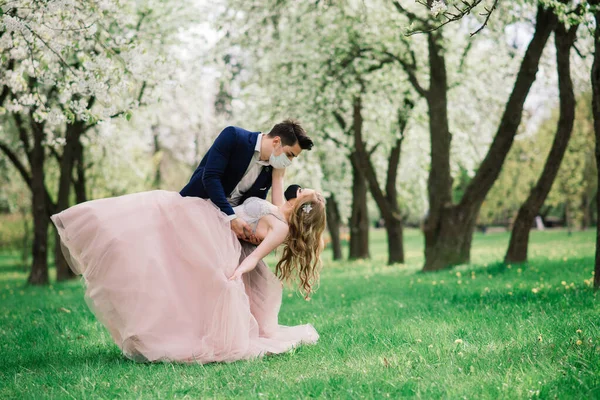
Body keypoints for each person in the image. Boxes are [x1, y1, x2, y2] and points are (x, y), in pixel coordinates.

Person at [51, 185, 326, 363]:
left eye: (304, 191)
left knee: (171, 270)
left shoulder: (282, 228)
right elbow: (279, 184)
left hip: (219, 240)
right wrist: (278, 160)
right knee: (152, 227)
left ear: (304, 206)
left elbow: (255, 257)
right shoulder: (278, 207)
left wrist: (236, 272)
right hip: (210, 221)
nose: (299, 188)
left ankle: (157, 334)